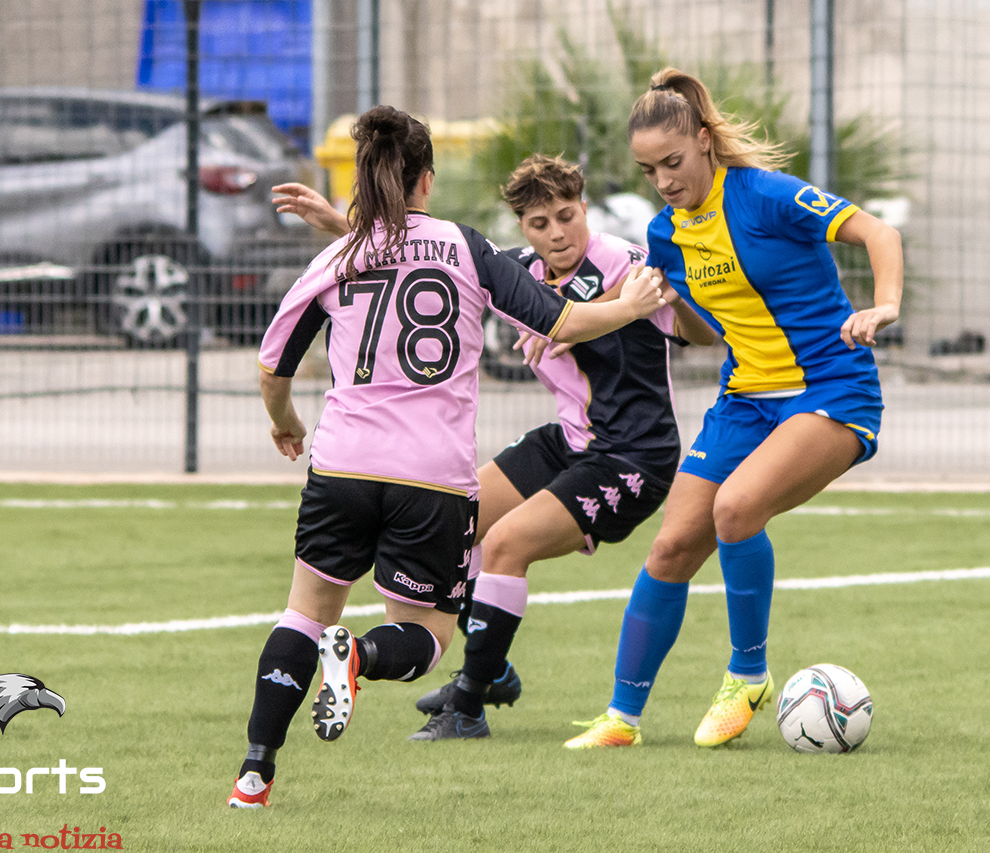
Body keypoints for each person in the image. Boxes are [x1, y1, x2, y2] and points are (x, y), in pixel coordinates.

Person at [228, 106, 667, 808]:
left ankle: (253, 775)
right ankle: (364, 656)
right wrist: (630, 305)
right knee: (428, 632)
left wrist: (286, 424)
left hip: (340, 465)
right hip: (430, 476)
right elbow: (564, 319)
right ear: (426, 179)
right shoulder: (465, 248)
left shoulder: (335, 257)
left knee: (303, 614)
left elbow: (272, 368)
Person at [271, 154, 717, 742]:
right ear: (522, 228)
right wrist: (341, 226)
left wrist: (668, 296)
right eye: (539, 223)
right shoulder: (519, 269)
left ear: (584, 208)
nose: (557, 233)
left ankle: (468, 706)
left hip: (632, 453)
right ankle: (494, 664)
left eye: (566, 215)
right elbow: (424, 254)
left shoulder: (625, 264)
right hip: (570, 441)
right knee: (462, 521)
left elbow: (702, 333)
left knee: (505, 545)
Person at [563, 67, 902, 750]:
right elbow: (701, 331)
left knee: (735, 510)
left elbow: (877, 232)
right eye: (648, 168)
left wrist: (885, 302)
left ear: (707, 143)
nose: (662, 179)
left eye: (673, 161)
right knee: (671, 545)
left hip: (832, 389)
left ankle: (748, 673)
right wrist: (669, 304)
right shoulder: (667, 236)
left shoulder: (767, 195)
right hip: (744, 398)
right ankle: (622, 718)